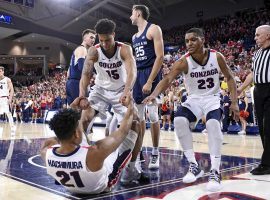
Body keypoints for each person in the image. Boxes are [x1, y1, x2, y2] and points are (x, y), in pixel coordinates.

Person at [143, 28, 239, 192]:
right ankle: (194, 166)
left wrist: (234, 102)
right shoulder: (183, 61)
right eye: (187, 41)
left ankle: (215, 171)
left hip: (212, 99)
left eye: (193, 40)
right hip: (194, 99)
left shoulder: (217, 56)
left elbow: (229, 77)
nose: (189, 43)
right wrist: (154, 94)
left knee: (213, 125)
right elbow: (168, 78)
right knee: (179, 120)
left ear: (203, 40)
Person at [71, 18, 144, 183]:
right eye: (101, 40)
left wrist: (127, 92)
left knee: (136, 124)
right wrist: (82, 95)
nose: (104, 44)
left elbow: (132, 72)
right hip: (100, 91)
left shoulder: (124, 49)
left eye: (108, 40)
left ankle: (131, 168)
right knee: (84, 118)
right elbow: (86, 74)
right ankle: (80, 162)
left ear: (114, 35)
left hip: (121, 91)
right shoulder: (93, 51)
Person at [40, 93, 141, 194]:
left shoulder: (45, 152)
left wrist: (73, 108)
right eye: (79, 127)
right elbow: (122, 132)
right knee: (135, 125)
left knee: (71, 139)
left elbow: (62, 132)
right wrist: (130, 105)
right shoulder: (94, 151)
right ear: (76, 134)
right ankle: (130, 171)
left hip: (71, 187)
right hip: (100, 186)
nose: (81, 127)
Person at [130, 5, 164, 169]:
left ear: (138, 13)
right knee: (139, 116)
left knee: (152, 115)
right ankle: (140, 150)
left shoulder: (153, 29)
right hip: (139, 74)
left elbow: (160, 56)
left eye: (132, 13)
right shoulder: (134, 37)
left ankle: (156, 152)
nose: (130, 16)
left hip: (152, 72)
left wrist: (150, 81)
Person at [238, 25, 270, 175]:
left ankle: (266, 164)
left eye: (258, 35)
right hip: (258, 90)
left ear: (268, 35)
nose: (255, 38)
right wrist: (241, 88)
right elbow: (253, 73)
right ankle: (268, 161)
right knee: (262, 128)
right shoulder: (257, 54)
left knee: (269, 127)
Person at [66, 29, 96, 105]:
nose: (93, 40)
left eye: (95, 38)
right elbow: (82, 67)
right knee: (83, 109)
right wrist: (94, 75)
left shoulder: (79, 49)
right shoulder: (82, 49)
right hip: (77, 83)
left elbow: (68, 73)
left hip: (71, 83)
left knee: (73, 110)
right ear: (85, 38)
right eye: (91, 37)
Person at [0, 66, 16, 135]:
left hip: (4, 98)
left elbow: (12, 90)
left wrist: (10, 98)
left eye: (0, 71)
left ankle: (12, 127)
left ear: (3, 72)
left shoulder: (7, 79)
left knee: (8, 113)